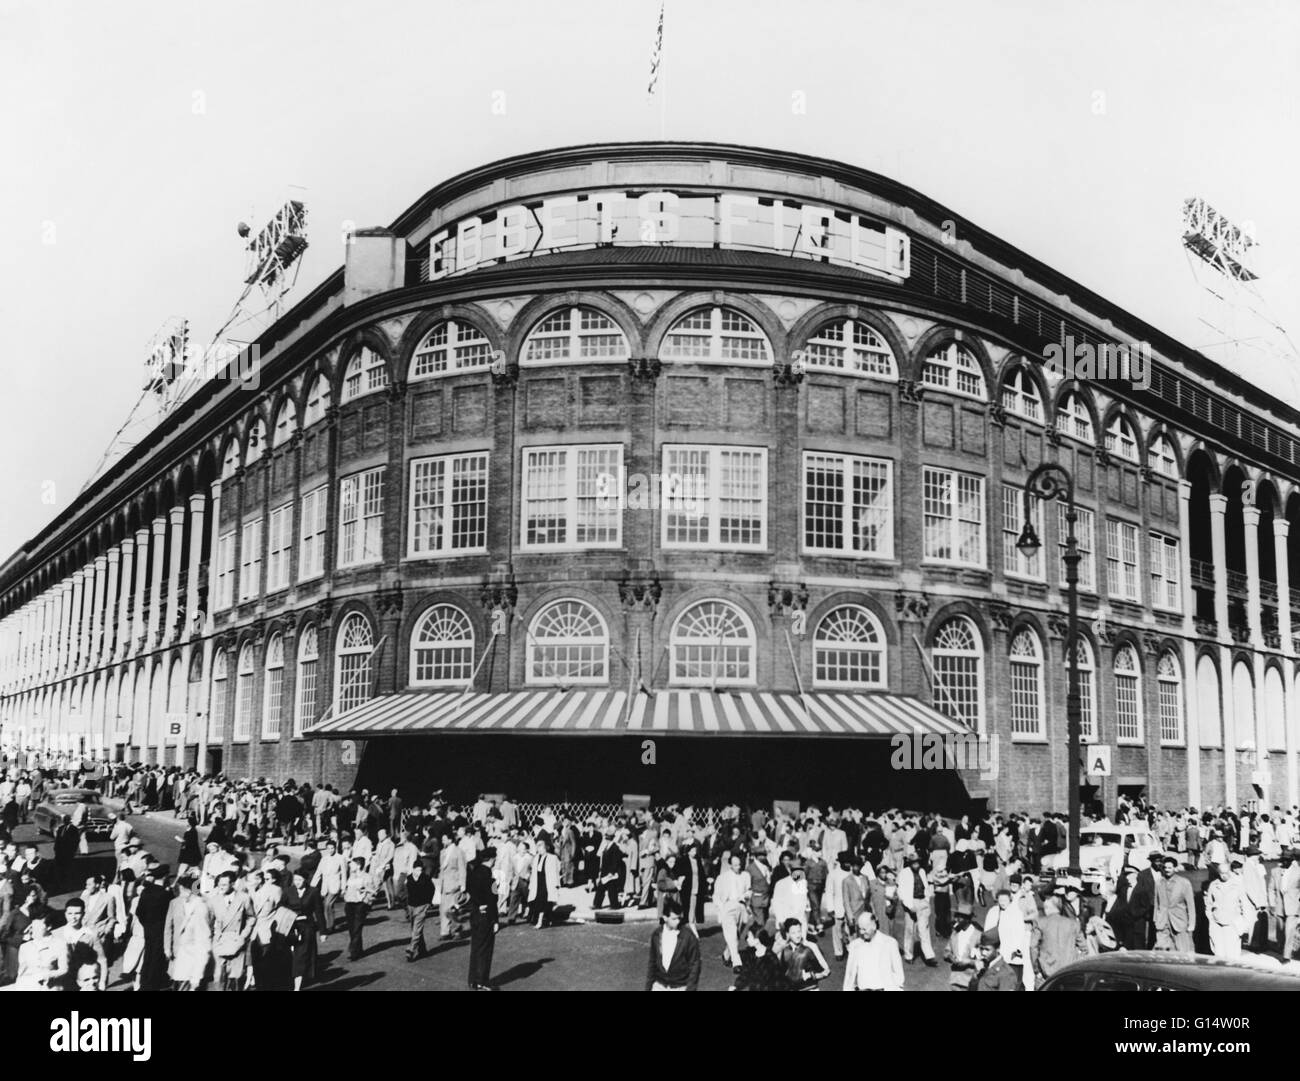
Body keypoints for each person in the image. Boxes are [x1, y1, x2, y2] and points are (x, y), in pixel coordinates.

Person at [164, 874, 213, 991]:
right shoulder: (186, 904)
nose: (180, 891)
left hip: (193, 959)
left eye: (181, 888)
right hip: (184, 957)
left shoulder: (200, 908)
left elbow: (204, 940)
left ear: (188, 890)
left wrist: (196, 976)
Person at [209, 870, 253, 990]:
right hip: (220, 941)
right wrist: (214, 935)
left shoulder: (243, 898)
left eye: (224, 885)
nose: (220, 887)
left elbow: (251, 917)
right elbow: (210, 922)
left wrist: (243, 935)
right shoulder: (214, 900)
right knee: (218, 976)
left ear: (233, 884)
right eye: (219, 884)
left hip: (237, 941)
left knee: (235, 977)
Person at [842, 910, 904, 991]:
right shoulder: (855, 945)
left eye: (864, 929)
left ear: (874, 926)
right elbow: (849, 975)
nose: (861, 932)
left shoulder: (890, 943)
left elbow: (899, 974)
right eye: (860, 929)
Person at [645, 899, 700, 990]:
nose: (677, 922)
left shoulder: (688, 937)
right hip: (660, 985)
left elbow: (695, 964)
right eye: (674, 919)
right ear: (665, 918)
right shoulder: (657, 935)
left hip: (679, 986)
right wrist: (648, 987)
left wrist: (690, 988)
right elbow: (652, 962)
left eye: (679, 918)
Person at [1031, 895, 1086, 981]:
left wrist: (1036, 970)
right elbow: (1084, 949)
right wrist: (1075, 963)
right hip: (1069, 972)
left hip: (1047, 972)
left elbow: (1032, 947)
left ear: (1047, 908)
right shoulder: (1073, 924)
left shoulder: (1040, 923)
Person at [466, 847, 499, 990]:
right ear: (492, 860)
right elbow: (493, 899)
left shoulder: (473, 873)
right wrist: (496, 920)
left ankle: (473, 979)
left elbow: (469, 891)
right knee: (485, 949)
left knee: (475, 947)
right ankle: (482, 981)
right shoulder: (491, 878)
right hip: (486, 916)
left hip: (475, 914)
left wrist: (476, 905)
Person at [897, 854, 937, 966]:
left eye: (918, 862)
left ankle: (929, 956)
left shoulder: (922, 871)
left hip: (922, 902)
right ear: (910, 863)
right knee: (910, 930)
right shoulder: (904, 873)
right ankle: (909, 955)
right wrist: (909, 906)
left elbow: (926, 887)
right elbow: (901, 891)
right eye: (914, 863)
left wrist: (926, 900)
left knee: (924, 930)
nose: (916, 865)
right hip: (911, 902)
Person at [712, 852, 750, 969]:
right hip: (728, 906)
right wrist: (722, 908)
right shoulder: (722, 878)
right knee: (732, 934)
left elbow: (749, 890)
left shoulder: (745, 875)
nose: (738, 867)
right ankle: (736, 962)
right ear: (730, 866)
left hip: (741, 906)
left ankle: (726, 954)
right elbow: (716, 896)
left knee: (735, 935)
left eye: (739, 864)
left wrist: (745, 896)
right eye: (735, 865)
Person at [1153, 854, 1197, 952]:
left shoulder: (1184, 882)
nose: (1167, 870)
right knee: (1161, 950)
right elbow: (1157, 903)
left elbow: (1191, 905)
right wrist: (1156, 919)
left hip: (1179, 921)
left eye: (1170, 867)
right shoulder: (1159, 882)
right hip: (1163, 921)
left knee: (1182, 950)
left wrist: (1191, 924)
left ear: (1175, 868)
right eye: (1165, 868)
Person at [13, 913, 68, 990]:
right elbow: (21, 973)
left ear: (49, 927)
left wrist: (47, 975)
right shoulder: (25, 947)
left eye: (38, 927)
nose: (33, 930)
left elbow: (64, 970)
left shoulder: (60, 944)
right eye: (33, 927)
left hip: (51, 987)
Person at [1207, 859, 1247, 959]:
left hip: (1232, 923)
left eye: (1226, 873)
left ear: (1230, 871)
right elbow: (1208, 905)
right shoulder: (1213, 885)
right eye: (1221, 873)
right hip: (1217, 923)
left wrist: (1243, 923)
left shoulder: (1237, 885)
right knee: (1219, 953)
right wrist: (1211, 920)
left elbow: (1244, 905)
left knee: (1232, 953)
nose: (1224, 875)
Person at [778, 917, 831, 990]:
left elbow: (826, 971)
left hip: (811, 988)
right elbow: (783, 973)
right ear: (788, 934)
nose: (797, 935)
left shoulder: (810, 947)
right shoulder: (785, 950)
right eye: (793, 933)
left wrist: (811, 975)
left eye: (799, 931)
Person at [342, 856, 376, 961]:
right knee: (352, 928)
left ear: (358, 865)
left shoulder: (367, 876)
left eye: (352, 864)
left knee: (357, 928)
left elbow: (373, 891)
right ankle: (359, 949)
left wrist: (366, 899)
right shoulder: (351, 876)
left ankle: (353, 951)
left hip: (360, 904)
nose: (350, 866)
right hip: (349, 904)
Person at [969, 926, 1018, 991]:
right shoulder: (981, 967)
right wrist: (976, 976)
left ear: (998, 949)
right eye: (981, 949)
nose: (983, 953)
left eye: (987, 949)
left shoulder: (1006, 972)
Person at [439, 830, 467, 939]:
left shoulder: (458, 851)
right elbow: (441, 869)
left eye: (444, 839)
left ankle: (457, 931)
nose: (442, 841)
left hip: (454, 884)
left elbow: (462, 868)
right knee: (443, 909)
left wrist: (462, 884)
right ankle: (445, 932)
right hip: (444, 884)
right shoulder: (442, 852)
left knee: (453, 909)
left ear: (450, 840)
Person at [528, 836, 559, 929]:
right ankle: (548, 919)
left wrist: (556, 884)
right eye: (538, 847)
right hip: (537, 883)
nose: (539, 849)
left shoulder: (552, 858)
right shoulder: (536, 858)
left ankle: (540, 921)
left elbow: (556, 871)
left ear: (546, 848)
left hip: (547, 883)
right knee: (539, 902)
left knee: (544, 902)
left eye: (541, 847)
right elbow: (533, 872)